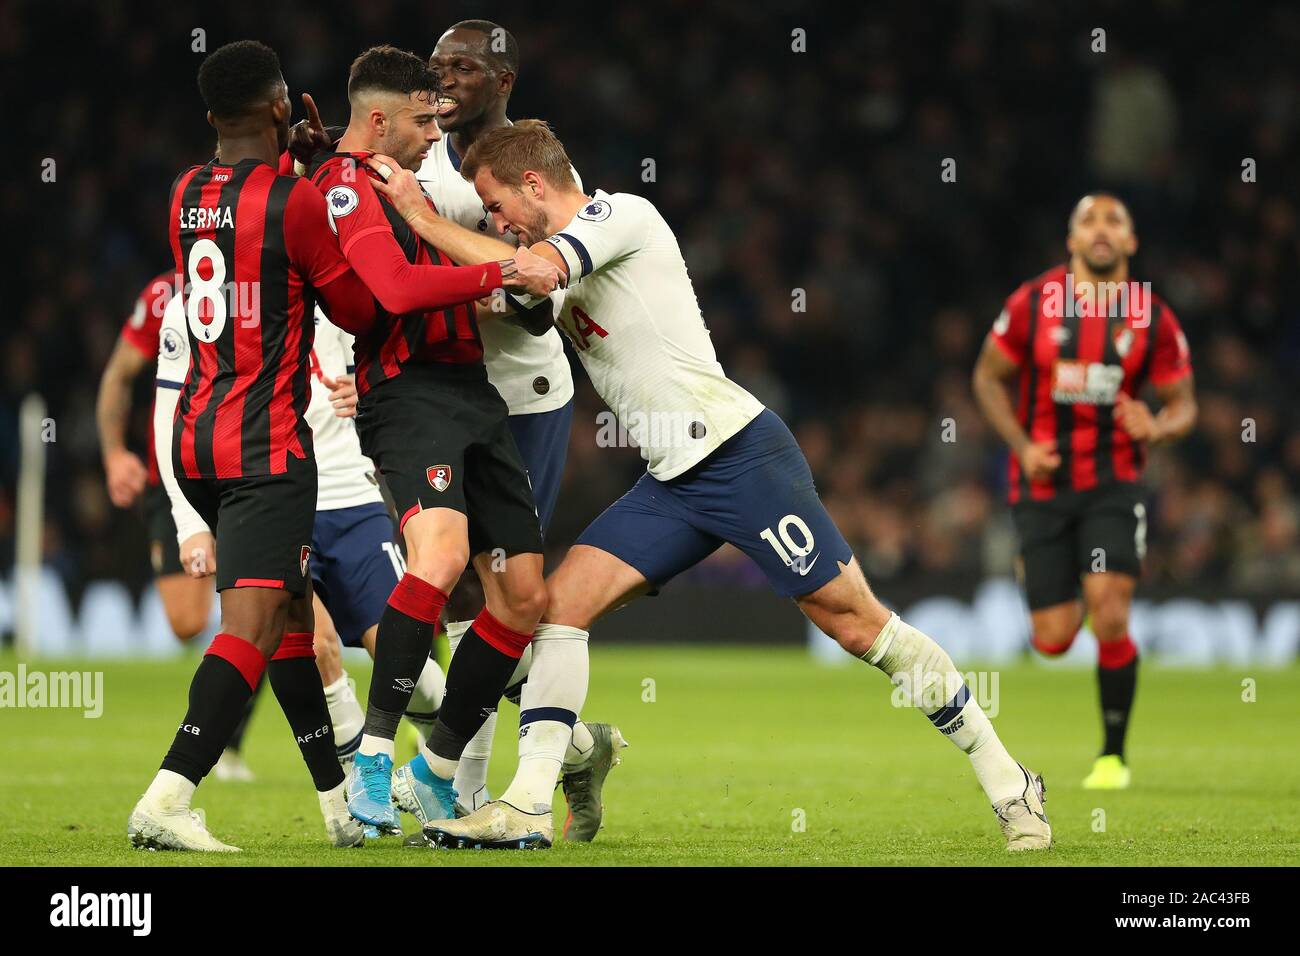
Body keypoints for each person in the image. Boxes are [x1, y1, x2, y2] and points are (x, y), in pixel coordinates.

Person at [372, 120, 1052, 852]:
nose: (495, 221)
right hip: (671, 481)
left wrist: (420, 215)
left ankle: (1010, 782)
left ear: (534, 184)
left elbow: (529, 274)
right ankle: (527, 805)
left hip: (738, 457)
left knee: (857, 625)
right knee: (557, 607)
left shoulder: (619, 216)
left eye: (497, 203)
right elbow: (484, 296)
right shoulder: (549, 260)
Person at [300, 45, 561, 834]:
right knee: (441, 560)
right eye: (420, 118)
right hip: (406, 398)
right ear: (377, 120)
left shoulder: (394, 178)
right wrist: (506, 271)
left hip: (473, 393)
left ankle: (434, 767)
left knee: (523, 598)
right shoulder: (346, 184)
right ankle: (374, 756)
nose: (432, 129)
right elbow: (395, 288)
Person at [972, 193, 1196, 789]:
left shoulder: (1151, 316)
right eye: (1089, 221)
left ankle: (1112, 758)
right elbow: (987, 377)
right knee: (1052, 640)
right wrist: (1021, 447)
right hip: (1042, 483)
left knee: (1111, 613)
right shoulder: (1032, 303)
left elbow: (1184, 405)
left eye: (1114, 221)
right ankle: (1043, 572)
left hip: (1113, 486)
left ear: (1130, 242)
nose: (1102, 230)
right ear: (1071, 240)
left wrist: (1159, 425)